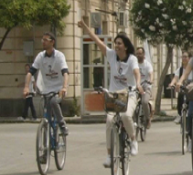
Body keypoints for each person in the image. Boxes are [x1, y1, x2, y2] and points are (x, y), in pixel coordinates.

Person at [78, 20, 143, 167]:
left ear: (125, 46)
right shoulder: (111, 55)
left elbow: (136, 72)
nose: (117, 46)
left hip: (129, 93)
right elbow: (96, 40)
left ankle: (133, 139)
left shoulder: (132, 59)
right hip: (114, 95)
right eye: (115, 43)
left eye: (119, 43)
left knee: (126, 115)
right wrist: (86, 27)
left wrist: (138, 84)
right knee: (109, 121)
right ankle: (109, 155)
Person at [23, 33, 69, 140]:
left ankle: (62, 124)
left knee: (53, 102)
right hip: (46, 90)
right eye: (42, 40)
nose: (43, 42)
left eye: (45, 40)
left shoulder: (59, 56)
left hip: (59, 89)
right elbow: (31, 72)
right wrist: (26, 87)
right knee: (47, 115)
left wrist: (64, 87)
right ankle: (45, 148)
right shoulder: (40, 56)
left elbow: (65, 73)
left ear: (52, 42)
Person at [135, 47, 154, 129]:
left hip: (146, 86)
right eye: (137, 54)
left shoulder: (147, 64)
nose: (139, 55)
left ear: (143, 54)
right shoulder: (134, 64)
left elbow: (151, 74)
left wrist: (151, 80)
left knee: (145, 101)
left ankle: (148, 119)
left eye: (140, 53)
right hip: (136, 86)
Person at [170, 51, 191, 123]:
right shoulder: (180, 69)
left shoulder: (192, 69)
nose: (184, 58)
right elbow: (175, 78)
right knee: (180, 97)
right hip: (183, 89)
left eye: (186, 57)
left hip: (191, 88)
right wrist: (172, 84)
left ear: (189, 58)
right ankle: (179, 114)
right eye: (183, 57)